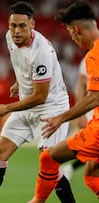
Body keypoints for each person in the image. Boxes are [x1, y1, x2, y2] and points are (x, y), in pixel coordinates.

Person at [0, 2, 75, 203]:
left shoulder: (40, 52)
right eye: (13, 25)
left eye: (22, 25)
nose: (16, 30)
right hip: (27, 105)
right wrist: (19, 82)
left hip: (50, 109)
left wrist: (8, 108)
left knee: (49, 164)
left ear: (33, 24)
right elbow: (21, 64)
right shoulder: (10, 37)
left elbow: (40, 96)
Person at [29, 2, 99, 202]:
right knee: (92, 174)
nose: (73, 39)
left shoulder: (94, 55)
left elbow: (95, 97)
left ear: (76, 30)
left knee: (49, 157)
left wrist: (61, 118)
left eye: (70, 33)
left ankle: (37, 201)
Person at [61, 57, 89, 180]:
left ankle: (69, 168)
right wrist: (81, 113)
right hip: (93, 110)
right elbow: (80, 88)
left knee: (94, 148)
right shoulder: (89, 59)